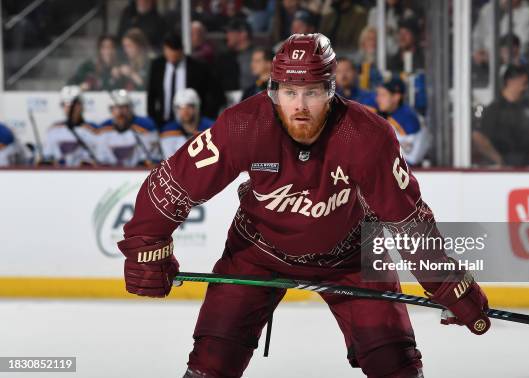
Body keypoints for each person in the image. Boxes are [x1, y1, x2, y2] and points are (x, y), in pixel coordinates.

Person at [117, 33, 490, 378]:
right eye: (289, 92)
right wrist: (145, 246)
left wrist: (449, 284)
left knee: (396, 364)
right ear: (273, 90)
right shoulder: (244, 125)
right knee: (211, 361)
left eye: (311, 92)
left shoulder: (367, 137)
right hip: (257, 254)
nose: (299, 106)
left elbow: (408, 221)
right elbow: (175, 183)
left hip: (349, 257)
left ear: (331, 90)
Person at [148, 33, 226, 127]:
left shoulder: (198, 67)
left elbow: (217, 94)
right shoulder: (157, 66)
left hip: (192, 126)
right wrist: (153, 120)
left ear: (181, 50)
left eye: (174, 53)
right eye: (168, 52)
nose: (171, 56)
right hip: (163, 124)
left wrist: (203, 118)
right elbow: (151, 95)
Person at [472, 65, 529, 166]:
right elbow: (478, 136)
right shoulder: (493, 110)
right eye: (524, 83)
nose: (526, 87)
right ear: (511, 81)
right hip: (505, 170)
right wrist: (498, 159)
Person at [375, 78, 431, 166]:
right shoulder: (393, 114)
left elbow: (411, 160)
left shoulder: (407, 119)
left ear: (396, 97)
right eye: (378, 95)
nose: (378, 99)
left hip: (412, 174)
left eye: (383, 95)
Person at [97, 90, 160, 167]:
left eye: (124, 107)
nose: (120, 112)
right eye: (116, 107)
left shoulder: (145, 127)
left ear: (130, 108)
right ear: (111, 110)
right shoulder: (104, 129)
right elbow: (101, 159)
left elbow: (152, 159)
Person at [42, 86, 100, 167]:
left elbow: (97, 159)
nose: (69, 109)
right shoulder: (53, 130)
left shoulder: (93, 129)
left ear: (81, 106)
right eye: (65, 105)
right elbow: (48, 157)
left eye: (73, 105)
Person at [472, 0, 529, 66]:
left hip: (506, 65)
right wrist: (477, 51)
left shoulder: (527, 13)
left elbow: (521, 45)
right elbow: (477, 36)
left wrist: (494, 56)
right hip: (483, 62)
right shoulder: (488, 9)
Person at [160, 88, 214, 159]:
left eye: (189, 106)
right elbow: (169, 162)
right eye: (180, 107)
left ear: (196, 107)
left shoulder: (211, 128)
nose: (185, 111)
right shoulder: (168, 132)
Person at [215, 18, 256, 92]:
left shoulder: (258, 56)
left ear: (243, 34)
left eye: (230, 32)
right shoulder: (224, 58)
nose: (227, 36)